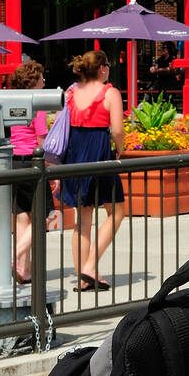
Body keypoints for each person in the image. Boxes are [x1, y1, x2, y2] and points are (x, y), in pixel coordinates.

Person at [59, 50, 126, 292]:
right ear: (101, 69)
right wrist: (120, 149)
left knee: (83, 217)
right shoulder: (110, 93)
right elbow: (117, 130)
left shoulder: (70, 91)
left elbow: (60, 119)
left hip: (74, 152)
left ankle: (83, 276)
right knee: (116, 211)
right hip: (98, 151)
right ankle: (89, 266)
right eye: (107, 64)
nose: (109, 68)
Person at [6, 61, 50, 284]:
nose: (44, 83)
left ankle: (25, 269)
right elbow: (41, 141)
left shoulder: (11, 102)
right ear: (33, 82)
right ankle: (15, 255)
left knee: (23, 215)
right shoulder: (37, 106)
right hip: (33, 162)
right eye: (42, 79)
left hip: (13, 162)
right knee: (43, 215)